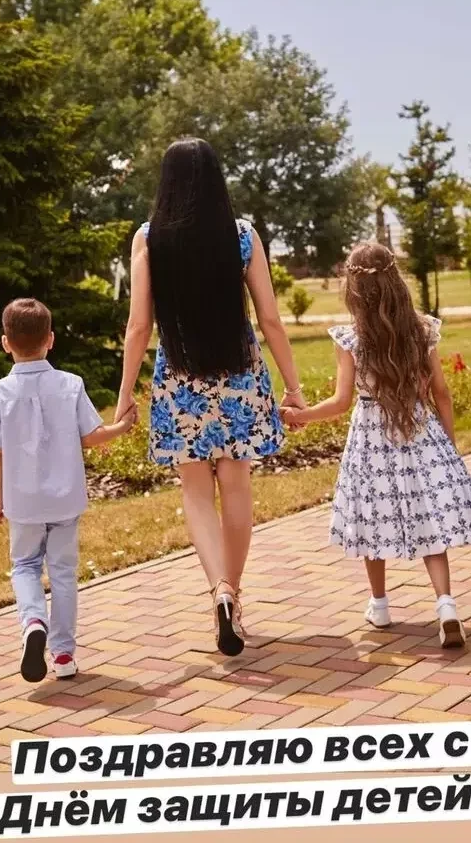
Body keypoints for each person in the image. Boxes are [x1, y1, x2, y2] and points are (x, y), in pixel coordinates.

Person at [114, 138, 305, 657]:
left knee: (196, 491)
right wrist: (292, 386)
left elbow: (138, 326)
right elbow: (270, 318)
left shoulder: (149, 239)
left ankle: (217, 588)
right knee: (236, 485)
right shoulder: (242, 235)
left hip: (180, 382)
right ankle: (232, 595)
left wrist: (125, 395)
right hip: (240, 376)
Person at [281, 243, 471, 648]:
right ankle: (446, 605)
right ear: (396, 280)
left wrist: (298, 415)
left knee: (371, 518)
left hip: (370, 438)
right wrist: (447, 447)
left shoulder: (351, 338)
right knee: (430, 522)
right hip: (420, 432)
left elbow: (341, 402)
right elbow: (442, 393)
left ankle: (379, 605)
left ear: (352, 287)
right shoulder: (422, 330)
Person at [0, 298, 137, 683]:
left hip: (23, 502)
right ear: (50, 339)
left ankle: (34, 620)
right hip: (66, 499)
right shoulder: (71, 384)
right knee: (64, 573)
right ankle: (64, 655)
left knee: (25, 566)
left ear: (5, 342)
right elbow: (91, 436)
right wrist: (122, 426)